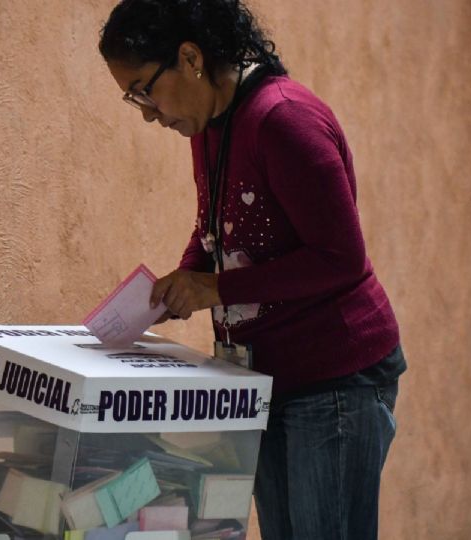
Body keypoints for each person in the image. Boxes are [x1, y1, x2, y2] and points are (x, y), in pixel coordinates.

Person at [98, 1, 406, 538]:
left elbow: (341, 258)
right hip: (267, 379)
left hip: (335, 379)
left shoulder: (284, 119)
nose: (146, 111)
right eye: (133, 98)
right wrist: (184, 279)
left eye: (145, 88)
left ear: (189, 57)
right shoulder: (209, 126)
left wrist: (214, 287)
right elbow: (217, 225)